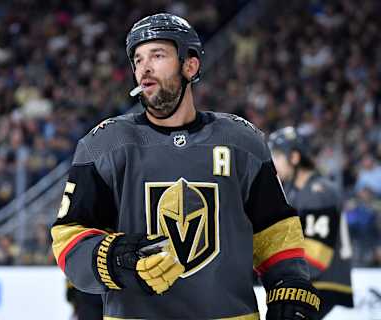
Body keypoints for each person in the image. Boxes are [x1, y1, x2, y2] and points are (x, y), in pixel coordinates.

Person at [51, 13, 321, 319]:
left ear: (190, 66)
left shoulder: (243, 142)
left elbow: (275, 230)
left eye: (158, 55)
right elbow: (68, 237)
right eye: (138, 60)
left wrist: (290, 283)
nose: (145, 69)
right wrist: (114, 258)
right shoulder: (103, 145)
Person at [268, 127, 354, 318]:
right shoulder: (295, 191)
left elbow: (316, 259)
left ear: (295, 158)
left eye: (278, 156)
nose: (274, 163)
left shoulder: (318, 192)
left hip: (325, 284)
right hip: (309, 282)